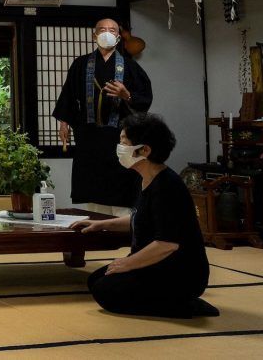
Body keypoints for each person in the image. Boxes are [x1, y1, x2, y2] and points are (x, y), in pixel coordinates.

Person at [72, 113, 218, 318]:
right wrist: (102, 224)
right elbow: (139, 219)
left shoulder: (167, 186)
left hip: (177, 272)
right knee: (95, 280)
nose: (119, 147)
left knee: (105, 291)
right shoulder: (145, 178)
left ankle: (183, 304)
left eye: (124, 142)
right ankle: (175, 300)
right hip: (154, 264)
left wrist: (126, 263)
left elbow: (167, 244)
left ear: (145, 150)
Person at [53, 18, 152, 215]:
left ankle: (123, 226)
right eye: (102, 29)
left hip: (119, 136)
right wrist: (64, 124)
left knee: (121, 183)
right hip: (89, 137)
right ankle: (96, 223)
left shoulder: (131, 67)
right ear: (94, 35)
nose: (107, 33)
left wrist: (127, 95)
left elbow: (145, 98)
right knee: (92, 186)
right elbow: (68, 96)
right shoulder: (80, 64)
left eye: (112, 30)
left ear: (118, 36)